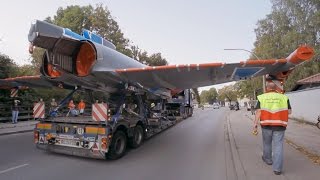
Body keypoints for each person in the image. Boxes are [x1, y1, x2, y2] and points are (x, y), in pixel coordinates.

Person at [253, 81, 292, 175]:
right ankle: (277, 169)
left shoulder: (262, 97)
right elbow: (289, 112)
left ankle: (268, 160)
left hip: (266, 125)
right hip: (280, 125)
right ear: (276, 88)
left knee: (267, 143)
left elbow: (258, 112)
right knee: (278, 146)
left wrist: (255, 124)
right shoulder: (284, 97)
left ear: (267, 88)